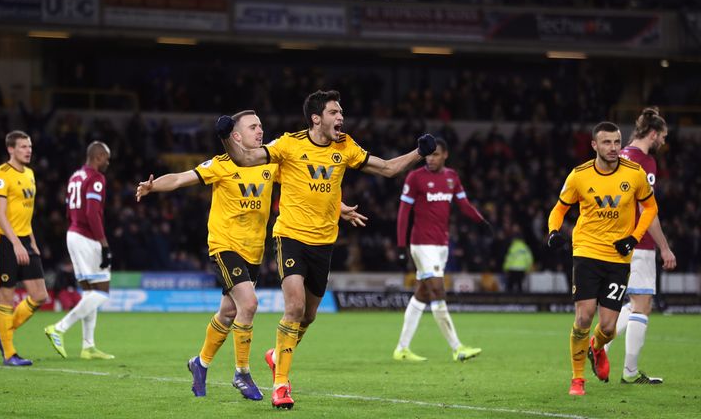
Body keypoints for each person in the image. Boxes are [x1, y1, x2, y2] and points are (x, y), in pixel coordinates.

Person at [217, 90, 436, 409]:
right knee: (293, 307)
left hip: (324, 242)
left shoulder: (345, 146)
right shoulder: (289, 144)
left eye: (341, 112)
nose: (341, 118)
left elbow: (388, 168)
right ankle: (281, 384)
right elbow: (246, 158)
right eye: (335, 112)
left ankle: (276, 356)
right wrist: (226, 136)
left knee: (308, 315)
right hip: (290, 236)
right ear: (316, 118)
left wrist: (418, 152)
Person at [136, 109, 368, 401]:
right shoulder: (221, 165)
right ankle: (242, 373)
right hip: (224, 245)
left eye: (261, 126)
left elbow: (305, 187)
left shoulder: (270, 164)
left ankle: (200, 363)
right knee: (249, 304)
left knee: (229, 312)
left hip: (254, 251)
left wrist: (340, 207)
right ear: (236, 136)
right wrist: (153, 186)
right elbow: (182, 179)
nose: (260, 131)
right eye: (253, 127)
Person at [547, 121, 658, 396]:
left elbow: (650, 206)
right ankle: (577, 379)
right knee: (584, 317)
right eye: (606, 142)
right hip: (586, 251)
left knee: (608, 326)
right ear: (594, 145)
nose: (613, 148)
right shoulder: (579, 175)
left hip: (618, 256)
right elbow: (559, 209)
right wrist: (553, 232)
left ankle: (596, 348)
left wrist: (633, 237)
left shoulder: (635, 173)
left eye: (617, 142)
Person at [392, 137, 490, 363]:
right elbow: (403, 212)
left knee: (423, 294)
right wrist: (400, 245)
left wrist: (481, 221)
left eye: (436, 154)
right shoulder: (415, 177)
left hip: (441, 245)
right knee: (438, 290)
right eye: (428, 154)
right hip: (422, 244)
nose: (431, 158)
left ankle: (402, 348)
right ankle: (457, 348)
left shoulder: (451, 177)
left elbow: (463, 204)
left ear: (445, 155)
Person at [604, 108, 676, 384]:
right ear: (654, 134)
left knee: (632, 303)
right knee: (643, 305)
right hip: (639, 243)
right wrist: (665, 247)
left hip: (614, 240)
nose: (664, 143)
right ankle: (630, 372)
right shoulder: (644, 163)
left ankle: (598, 345)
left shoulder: (618, 156)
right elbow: (650, 211)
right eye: (664, 137)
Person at [44, 141, 115, 360]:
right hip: (87, 237)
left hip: (73, 234)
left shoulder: (75, 176)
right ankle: (59, 328)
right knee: (102, 291)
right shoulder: (96, 179)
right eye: (106, 158)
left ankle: (88, 346)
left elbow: (68, 209)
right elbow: (93, 213)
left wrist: (74, 232)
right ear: (98, 156)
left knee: (90, 292)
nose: (108, 163)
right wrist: (103, 244)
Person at [0, 130, 48, 366]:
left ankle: (2, 334)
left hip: (24, 240)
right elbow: (1, 215)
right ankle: (9, 353)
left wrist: (31, 242)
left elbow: (25, 213)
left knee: (40, 295)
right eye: (23, 146)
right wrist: (15, 244)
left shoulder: (31, 174)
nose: (28, 150)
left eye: (30, 146)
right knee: (6, 298)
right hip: (3, 241)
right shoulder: (1, 175)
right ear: (10, 149)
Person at [502, 224, 534, 293]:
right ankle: (521, 301)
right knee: (520, 286)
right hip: (522, 269)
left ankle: (507, 301)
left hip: (512, 269)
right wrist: (528, 269)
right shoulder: (525, 247)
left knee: (510, 286)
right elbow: (529, 259)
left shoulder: (513, 247)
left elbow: (509, 259)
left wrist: (505, 268)